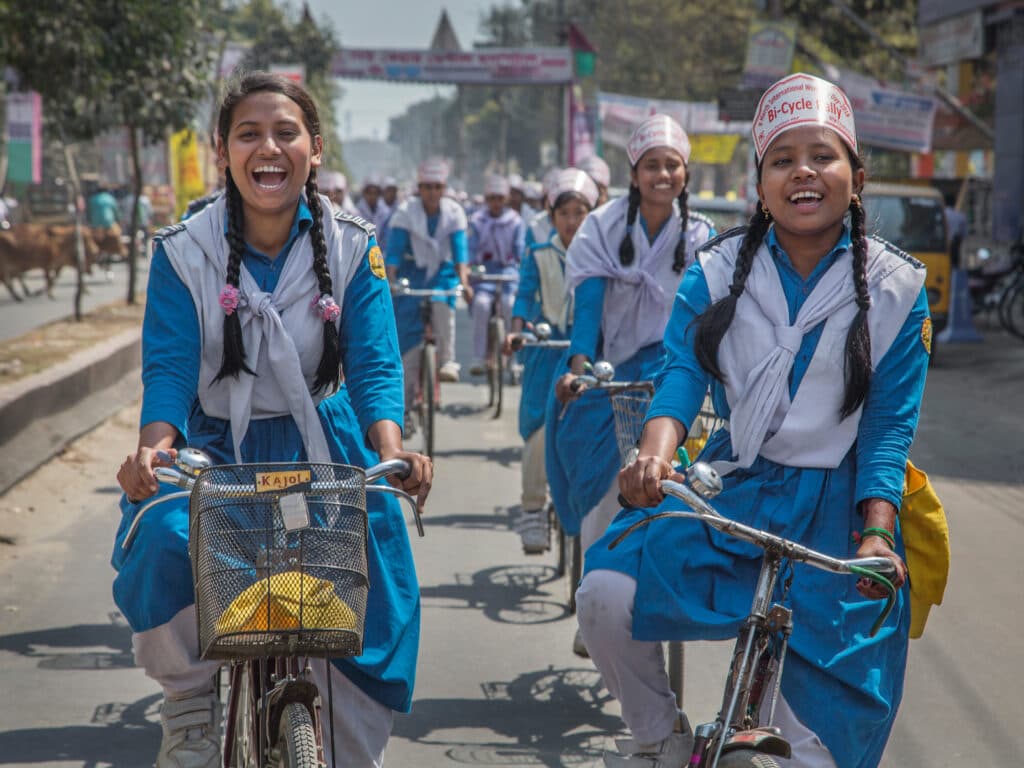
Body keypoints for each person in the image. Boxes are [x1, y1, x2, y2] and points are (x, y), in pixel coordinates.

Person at [578, 73, 929, 768]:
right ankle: (660, 740)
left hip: (842, 514)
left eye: (822, 156)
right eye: (782, 159)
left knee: (811, 752)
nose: (804, 171)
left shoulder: (898, 289)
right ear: (759, 183)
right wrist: (654, 454)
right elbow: (682, 377)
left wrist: (878, 535)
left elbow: (888, 427)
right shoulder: (712, 273)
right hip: (734, 489)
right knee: (604, 597)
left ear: (856, 178)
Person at [111, 71, 432, 768]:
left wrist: (392, 449)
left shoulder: (354, 244)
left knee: (369, 575)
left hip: (326, 443)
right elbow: (167, 367)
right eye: (249, 133)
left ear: (315, 149)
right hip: (214, 445)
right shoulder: (182, 250)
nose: (269, 148)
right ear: (221, 149)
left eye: (286, 133)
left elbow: (376, 364)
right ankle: (191, 701)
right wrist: (154, 450)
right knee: (167, 537)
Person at [545, 114, 715, 657]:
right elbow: (588, 312)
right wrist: (578, 369)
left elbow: (712, 321)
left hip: (675, 370)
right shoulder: (600, 226)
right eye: (651, 166)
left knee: (695, 484)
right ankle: (595, 600)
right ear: (634, 173)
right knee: (602, 486)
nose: (662, 175)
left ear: (685, 172)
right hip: (610, 370)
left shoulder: (703, 235)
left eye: (672, 165)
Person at [506, 168, 599, 554]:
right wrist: (516, 329)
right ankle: (532, 511)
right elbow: (526, 292)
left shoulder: (602, 247)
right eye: (564, 213)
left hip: (591, 353)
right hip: (547, 352)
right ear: (551, 215)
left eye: (580, 212)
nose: (572, 222)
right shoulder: (539, 246)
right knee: (539, 433)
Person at [385, 157, 472, 398]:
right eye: (428, 187)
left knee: (442, 302)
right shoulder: (405, 212)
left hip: (442, 273)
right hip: (411, 274)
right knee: (406, 334)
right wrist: (389, 282)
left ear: (444, 190)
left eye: (437, 187)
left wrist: (464, 282)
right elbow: (393, 254)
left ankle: (447, 361)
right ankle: (406, 401)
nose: (433, 193)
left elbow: (460, 254)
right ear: (419, 189)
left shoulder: (455, 212)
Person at [467, 174, 525, 376]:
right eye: (492, 198)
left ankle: (514, 360)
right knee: (481, 305)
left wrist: (520, 268)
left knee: (510, 305)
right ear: (486, 199)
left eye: (500, 198)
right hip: (484, 273)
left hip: (508, 272)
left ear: (506, 199)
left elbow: (520, 251)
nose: (496, 203)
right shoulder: (477, 221)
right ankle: (479, 357)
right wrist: (471, 269)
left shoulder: (515, 221)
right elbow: (471, 251)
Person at [357, 174, 392, 249]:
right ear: (364, 193)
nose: (372, 196)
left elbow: (386, 237)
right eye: (369, 192)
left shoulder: (386, 212)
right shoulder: (356, 212)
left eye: (375, 192)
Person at [944, 191, 967, 270]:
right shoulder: (961, 216)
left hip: (941, 245)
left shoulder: (941, 214)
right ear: (954, 203)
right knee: (954, 267)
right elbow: (963, 234)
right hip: (955, 245)